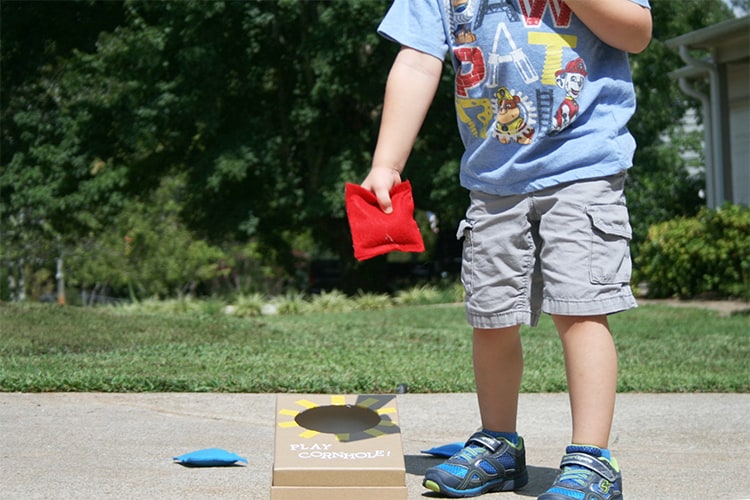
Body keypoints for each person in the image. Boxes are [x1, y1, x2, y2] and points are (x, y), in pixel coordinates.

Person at [359, 0, 652, 498]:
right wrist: (387, 161)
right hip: (494, 179)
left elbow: (637, 31)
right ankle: (498, 444)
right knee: (491, 314)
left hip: (583, 163)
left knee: (581, 309)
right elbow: (416, 61)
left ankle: (591, 459)